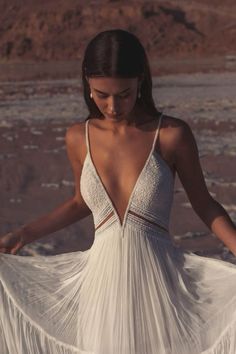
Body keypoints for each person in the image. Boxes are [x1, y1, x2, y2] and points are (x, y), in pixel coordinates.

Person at [0, 29, 236, 354]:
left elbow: (204, 204)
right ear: (87, 82)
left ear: (141, 80)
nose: (113, 106)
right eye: (102, 94)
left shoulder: (171, 135)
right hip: (101, 291)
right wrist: (22, 234)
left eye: (124, 94)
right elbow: (80, 202)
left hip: (159, 290)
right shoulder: (77, 137)